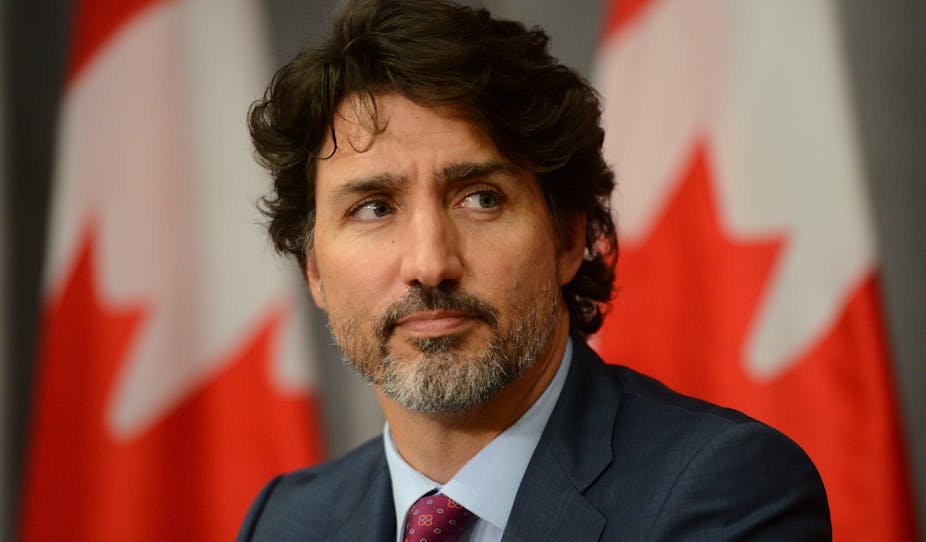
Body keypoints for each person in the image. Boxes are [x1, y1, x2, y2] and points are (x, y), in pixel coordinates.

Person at [237, 0, 831, 540]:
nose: (429, 264)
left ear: (569, 238)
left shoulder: (727, 493)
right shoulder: (287, 522)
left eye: (481, 198)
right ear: (313, 269)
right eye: (374, 208)